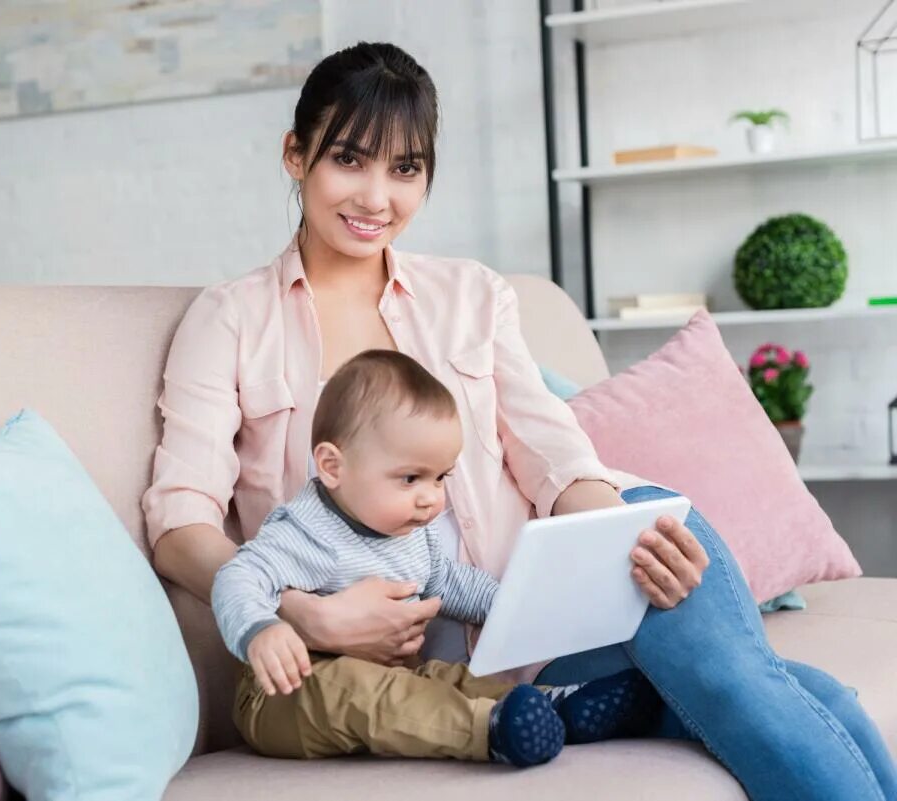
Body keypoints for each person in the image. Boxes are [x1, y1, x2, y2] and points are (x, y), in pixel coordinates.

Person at [142, 41, 897, 800]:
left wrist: (620, 543)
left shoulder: (473, 295)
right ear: (295, 155)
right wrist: (305, 616)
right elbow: (180, 524)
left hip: (572, 599)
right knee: (816, 702)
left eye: (405, 169)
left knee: (742, 680)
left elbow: (555, 457)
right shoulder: (231, 319)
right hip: (465, 681)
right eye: (350, 159)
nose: (377, 197)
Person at [213, 349, 660, 767]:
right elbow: (238, 578)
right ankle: (493, 731)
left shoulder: (409, 534)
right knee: (358, 689)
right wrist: (261, 629)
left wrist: (516, 608)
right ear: (333, 467)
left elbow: (452, 584)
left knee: (443, 679)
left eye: (440, 477)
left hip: (387, 678)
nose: (431, 499)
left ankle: (554, 704)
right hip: (285, 694)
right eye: (410, 478)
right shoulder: (304, 532)